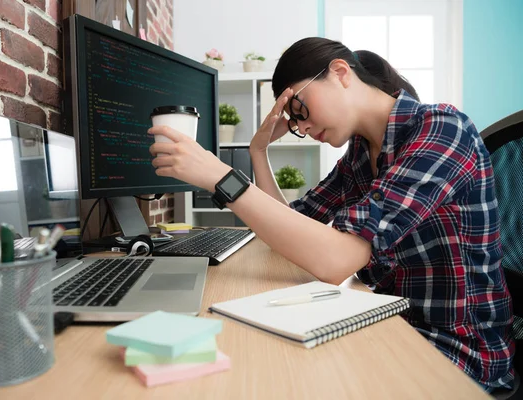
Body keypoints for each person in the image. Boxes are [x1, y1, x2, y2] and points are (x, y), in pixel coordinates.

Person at [148, 37, 514, 391]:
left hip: (457, 351)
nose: (302, 128)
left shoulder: (442, 129)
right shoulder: (360, 153)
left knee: (279, 376)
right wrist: (258, 151)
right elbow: (292, 229)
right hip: (391, 322)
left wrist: (222, 179)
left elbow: (337, 260)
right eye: (293, 121)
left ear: (340, 72)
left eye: (301, 109)